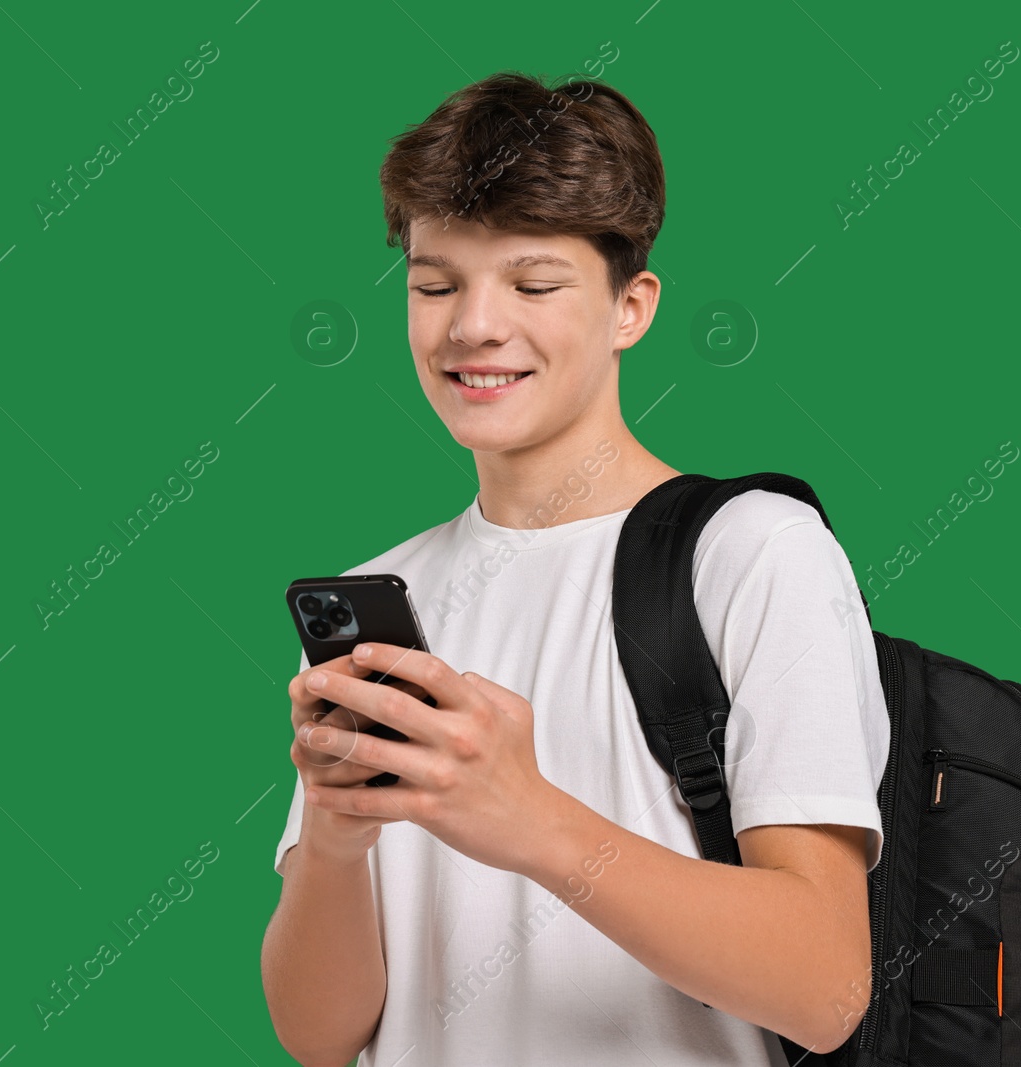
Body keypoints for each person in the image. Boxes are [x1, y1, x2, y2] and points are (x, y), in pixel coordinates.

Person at [261, 70, 889, 1067]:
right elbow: (320, 1032)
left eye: (533, 283)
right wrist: (336, 837)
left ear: (630, 306)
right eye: (435, 284)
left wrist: (533, 821)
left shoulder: (752, 551)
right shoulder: (386, 591)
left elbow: (824, 984)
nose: (473, 324)